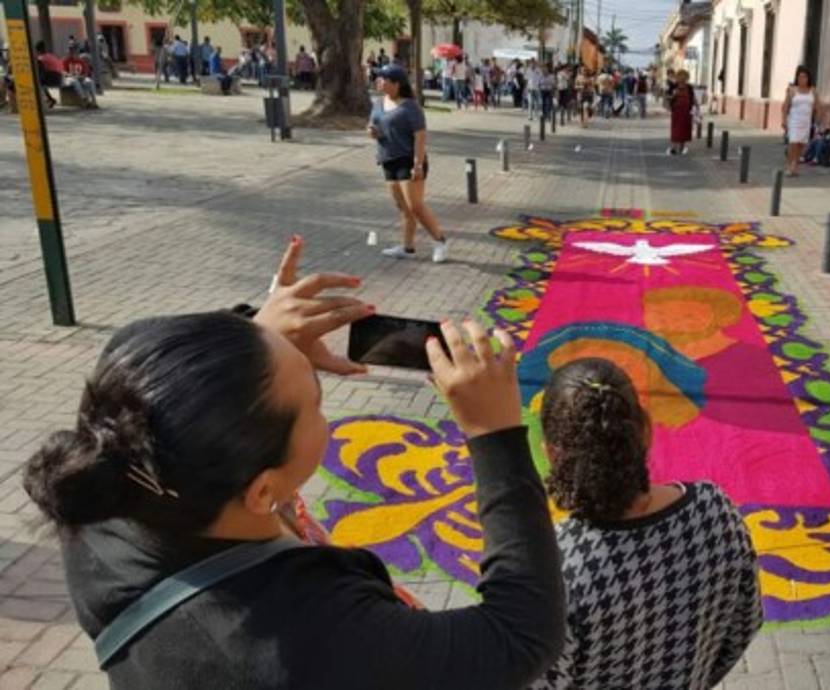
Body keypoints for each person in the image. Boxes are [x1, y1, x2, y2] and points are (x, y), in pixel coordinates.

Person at [22, 236, 566, 689]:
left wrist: (250, 342)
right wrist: (494, 435)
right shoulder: (309, 640)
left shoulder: (102, 490)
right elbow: (519, 636)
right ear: (263, 492)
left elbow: (135, 371)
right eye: (314, 396)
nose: (317, 372)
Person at [527, 358, 762, 689]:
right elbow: (744, 623)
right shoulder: (716, 510)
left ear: (552, 454)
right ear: (646, 430)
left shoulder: (556, 567)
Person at [369, 65, 450, 263]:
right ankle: (407, 247)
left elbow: (420, 136)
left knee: (415, 206)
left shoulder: (410, 106)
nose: (379, 82)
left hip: (409, 159)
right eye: (378, 79)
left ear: (396, 84)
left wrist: (418, 163)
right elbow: (373, 124)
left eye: (384, 79)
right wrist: (371, 131)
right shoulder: (379, 103)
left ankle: (441, 241)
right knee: (403, 207)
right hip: (388, 159)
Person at [782, 65, 816, 176]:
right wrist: (784, 120)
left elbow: (818, 107)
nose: (802, 79)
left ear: (808, 78)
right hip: (794, 120)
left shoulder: (813, 91)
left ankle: (795, 165)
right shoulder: (792, 90)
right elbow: (785, 107)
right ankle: (790, 166)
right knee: (793, 143)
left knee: (801, 144)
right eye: (800, 77)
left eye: (804, 77)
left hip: (806, 121)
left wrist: (819, 122)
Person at [666, 69, 696, 155]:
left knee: (684, 129)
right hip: (676, 111)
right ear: (678, 78)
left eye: (685, 77)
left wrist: (695, 107)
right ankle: (674, 147)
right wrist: (673, 95)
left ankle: (681, 147)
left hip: (686, 111)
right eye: (681, 77)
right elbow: (667, 97)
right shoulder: (674, 86)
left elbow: (692, 98)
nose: (683, 79)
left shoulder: (689, 87)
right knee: (676, 129)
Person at [34, 42, 63, 109]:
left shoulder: (41, 58)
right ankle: (50, 99)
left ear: (39, 51)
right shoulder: (51, 55)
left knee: (37, 83)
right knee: (41, 82)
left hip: (52, 78)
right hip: (59, 77)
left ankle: (47, 100)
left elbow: (39, 69)